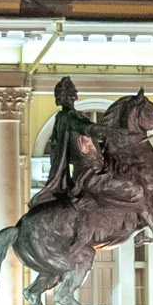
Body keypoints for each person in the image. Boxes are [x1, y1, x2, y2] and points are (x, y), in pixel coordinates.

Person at [29, 77, 115, 208]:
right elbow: (85, 128)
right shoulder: (68, 117)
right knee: (128, 191)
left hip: (96, 167)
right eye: (70, 95)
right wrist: (104, 129)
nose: (73, 97)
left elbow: (90, 140)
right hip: (88, 171)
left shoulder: (71, 116)